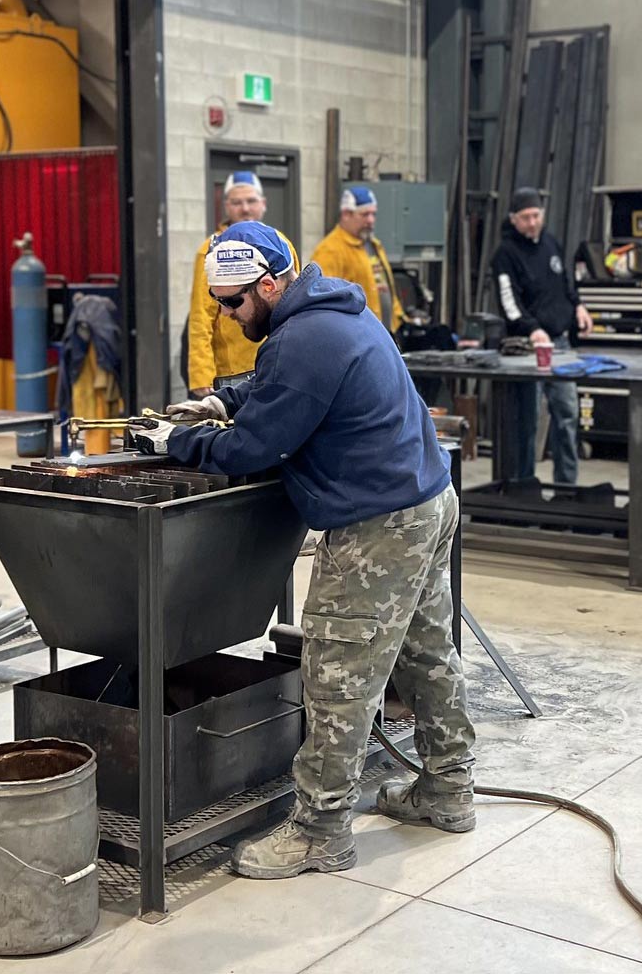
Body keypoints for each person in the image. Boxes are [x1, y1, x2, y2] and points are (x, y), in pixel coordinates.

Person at [131, 222, 475, 879]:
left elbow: (252, 447)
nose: (229, 317)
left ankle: (320, 828)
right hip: (427, 500)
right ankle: (448, 785)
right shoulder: (326, 310)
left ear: (267, 284)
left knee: (337, 672)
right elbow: (272, 382)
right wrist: (216, 398)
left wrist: (175, 442)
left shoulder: (306, 337)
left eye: (234, 303)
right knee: (425, 652)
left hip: (379, 523)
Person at [491, 187, 594, 485]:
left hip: (560, 344)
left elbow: (566, 283)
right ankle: (524, 487)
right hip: (528, 348)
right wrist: (532, 329)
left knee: (567, 414)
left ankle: (566, 487)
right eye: (525, 218)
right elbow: (509, 304)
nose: (532, 223)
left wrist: (579, 307)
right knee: (528, 422)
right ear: (513, 219)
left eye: (536, 216)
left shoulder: (551, 243)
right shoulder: (505, 254)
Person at [186, 171, 295, 395]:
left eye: (251, 201)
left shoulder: (281, 245)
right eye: (237, 202)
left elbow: (293, 301)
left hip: (274, 361)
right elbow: (201, 316)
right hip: (232, 369)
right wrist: (201, 374)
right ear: (226, 206)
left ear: (263, 204)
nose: (245, 208)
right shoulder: (213, 251)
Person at [310, 184, 404, 333]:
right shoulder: (330, 250)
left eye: (374, 214)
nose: (371, 220)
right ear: (346, 214)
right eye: (365, 214)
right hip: (357, 335)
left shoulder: (374, 245)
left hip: (385, 332)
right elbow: (322, 301)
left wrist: (399, 318)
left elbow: (386, 286)